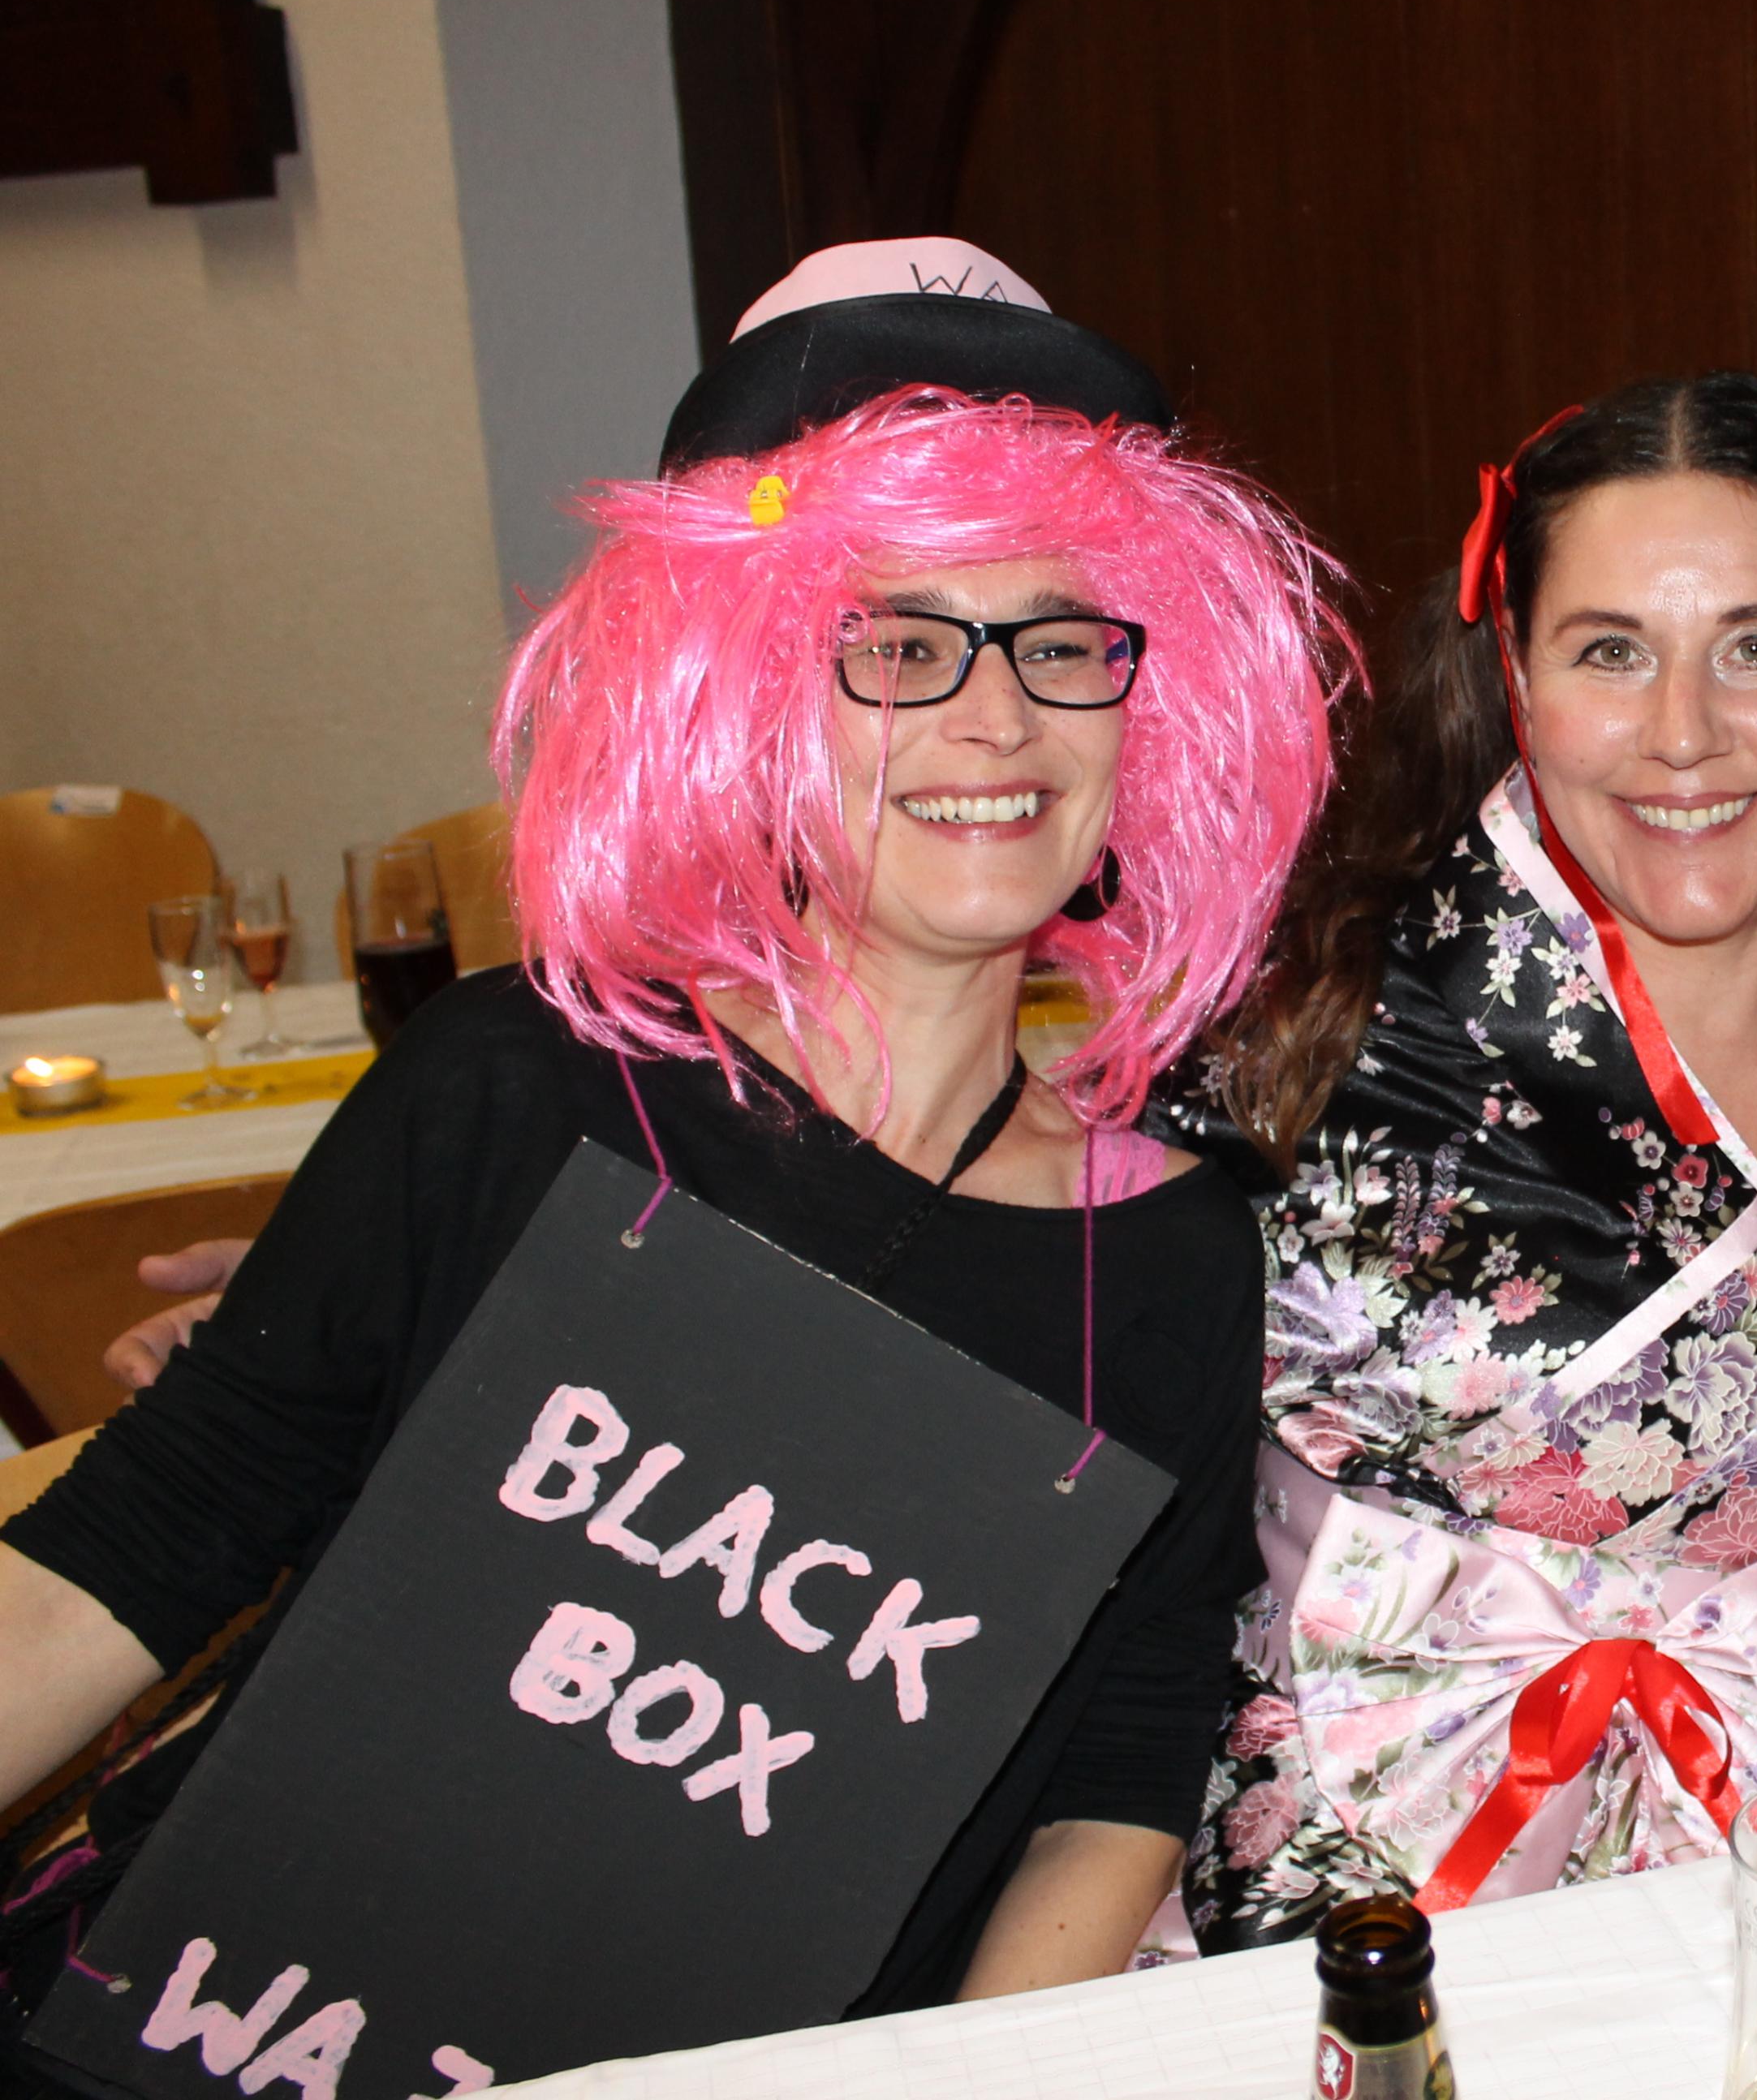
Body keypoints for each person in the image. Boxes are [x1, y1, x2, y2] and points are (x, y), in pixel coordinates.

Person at [0, 241, 1346, 2030]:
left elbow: (1119, 1765)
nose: (997, 715)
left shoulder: (1165, 1257)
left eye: (1058, 642)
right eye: (899, 645)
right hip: (215, 2030)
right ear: (749, 693)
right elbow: (145, 1540)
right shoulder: (518, 1088)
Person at [1160, 374, 1757, 1945]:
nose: (1682, 734)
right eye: (1610, 651)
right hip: (1363, 1889)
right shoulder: (1296, 1040)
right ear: (1517, 680)